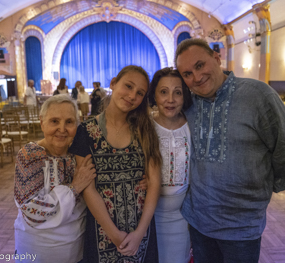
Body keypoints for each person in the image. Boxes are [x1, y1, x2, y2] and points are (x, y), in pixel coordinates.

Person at [175, 38, 285, 262]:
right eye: (187, 73)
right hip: (199, 222)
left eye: (200, 65)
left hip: (242, 227)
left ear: (217, 59)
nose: (196, 77)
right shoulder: (188, 105)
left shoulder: (258, 95)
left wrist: (267, 187)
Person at [69, 65, 162, 262]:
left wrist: (140, 233)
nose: (131, 96)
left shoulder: (145, 129)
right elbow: (88, 187)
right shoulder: (86, 132)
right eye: (128, 86)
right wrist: (114, 234)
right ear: (113, 83)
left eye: (139, 93)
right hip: (102, 231)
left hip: (141, 230)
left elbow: (154, 182)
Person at [14, 94, 97, 263]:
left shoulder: (79, 156)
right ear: (41, 122)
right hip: (37, 249)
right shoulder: (30, 155)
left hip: (76, 249)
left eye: (69, 122)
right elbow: (32, 211)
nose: (62, 129)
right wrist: (74, 188)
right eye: (54, 121)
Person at [147, 67, 192, 263]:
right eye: (163, 92)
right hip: (149, 217)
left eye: (178, 92)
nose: (171, 99)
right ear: (154, 95)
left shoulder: (192, 125)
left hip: (183, 218)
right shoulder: (145, 127)